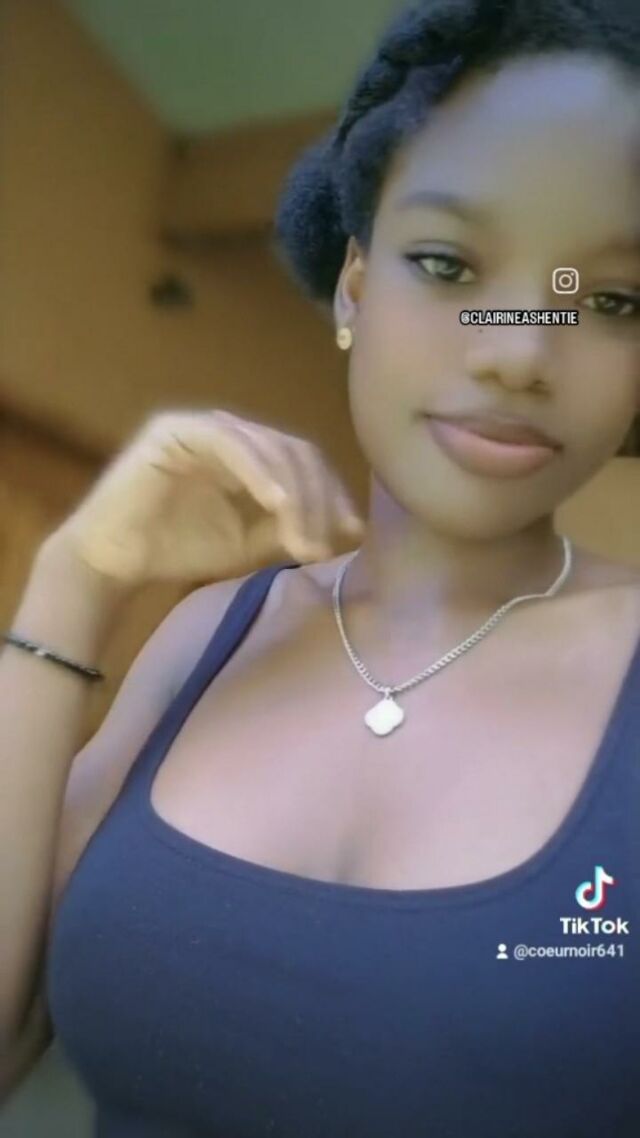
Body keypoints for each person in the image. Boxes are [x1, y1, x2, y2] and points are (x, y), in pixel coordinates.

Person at [1, 0, 639, 1134]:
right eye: (448, 263)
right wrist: (74, 582)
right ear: (353, 287)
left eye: (611, 300)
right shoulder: (214, 634)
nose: (518, 352)